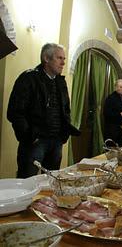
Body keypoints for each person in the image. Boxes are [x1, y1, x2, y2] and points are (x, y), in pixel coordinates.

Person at [7, 43, 80, 178]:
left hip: (56, 141)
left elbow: (65, 109)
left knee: (50, 182)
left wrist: (63, 135)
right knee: (28, 181)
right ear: (46, 58)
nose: (63, 63)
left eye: (64, 58)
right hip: (36, 142)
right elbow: (15, 112)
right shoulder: (29, 78)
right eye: (59, 58)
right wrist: (30, 136)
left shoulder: (60, 82)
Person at [103, 79, 122, 146]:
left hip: (120, 127)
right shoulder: (110, 98)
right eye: (121, 87)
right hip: (111, 128)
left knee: (120, 148)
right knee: (112, 149)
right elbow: (106, 113)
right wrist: (120, 114)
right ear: (116, 87)